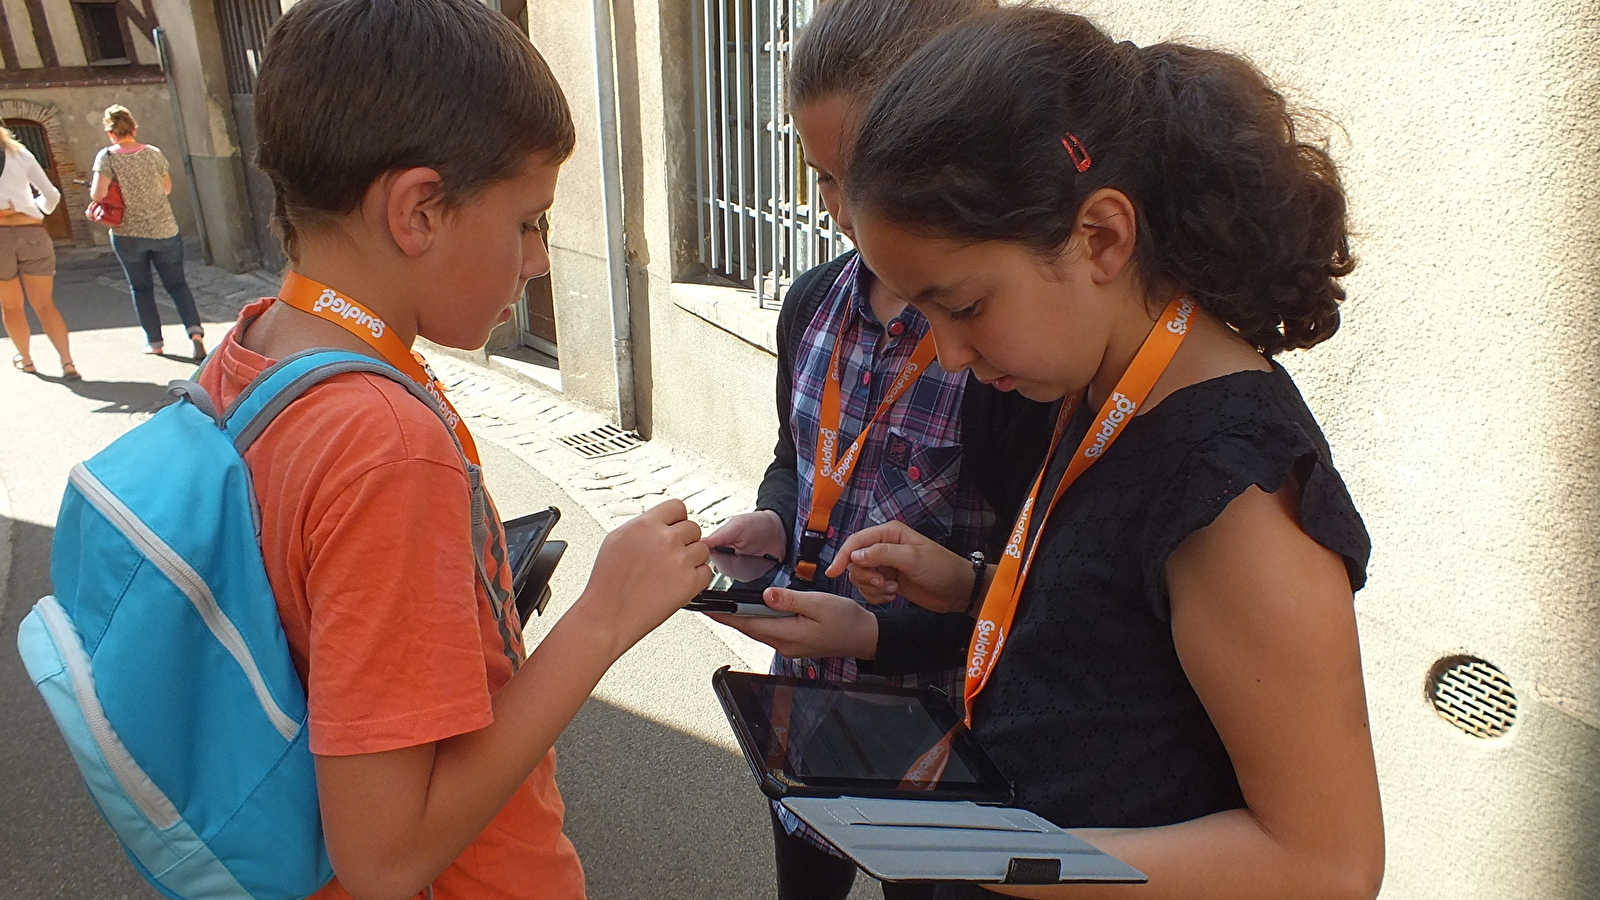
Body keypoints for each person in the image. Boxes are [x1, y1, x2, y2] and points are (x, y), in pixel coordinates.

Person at [806, 8, 1383, 898]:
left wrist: (977, 852)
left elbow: (1325, 865)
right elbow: (1119, 647)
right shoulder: (1090, 383)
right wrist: (971, 586)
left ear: (1101, 238)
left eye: (961, 306)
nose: (949, 354)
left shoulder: (1234, 489)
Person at [192, 2, 711, 898]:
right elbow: (387, 855)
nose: (539, 260)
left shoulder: (256, 351)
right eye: (528, 222)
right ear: (419, 211)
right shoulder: (385, 444)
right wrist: (606, 616)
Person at [701, 1, 1049, 898]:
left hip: (937, 730)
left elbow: (1031, 592)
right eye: (821, 178)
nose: (841, 211)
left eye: (861, 174)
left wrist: (878, 633)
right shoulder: (813, 302)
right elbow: (798, 456)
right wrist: (775, 522)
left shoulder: (1004, 356)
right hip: (803, 702)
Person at [91, 105, 207, 359]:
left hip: (127, 232)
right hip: (164, 230)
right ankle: (195, 332)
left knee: (141, 288)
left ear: (110, 133)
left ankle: (155, 342)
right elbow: (166, 188)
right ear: (134, 129)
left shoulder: (107, 157)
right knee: (177, 284)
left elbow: (98, 194)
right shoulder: (154, 154)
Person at [0, 125, 75, 378]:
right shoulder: (20, 154)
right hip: (32, 233)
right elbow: (52, 195)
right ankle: (67, 362)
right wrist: (35, 209)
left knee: (11, 307)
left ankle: (27, 359)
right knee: (45, 304)